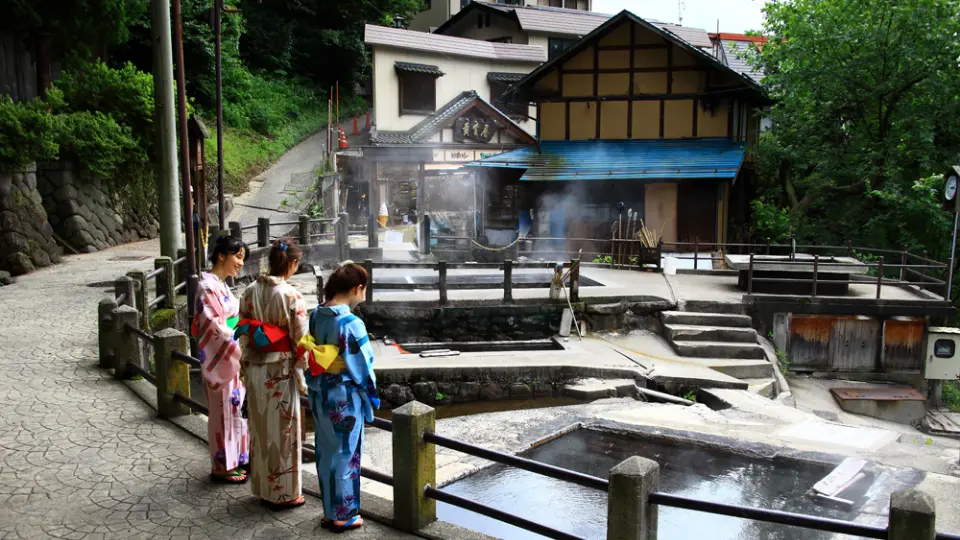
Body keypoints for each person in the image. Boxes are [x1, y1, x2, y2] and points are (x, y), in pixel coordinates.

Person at [305, 263, 380, 533]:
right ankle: (344, 513)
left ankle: (329, 510)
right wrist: (372, 398)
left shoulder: (317, 314)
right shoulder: (351, 323)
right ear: (357, 288)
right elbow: (364, 366)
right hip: (344, 398)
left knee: (326, 451)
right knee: (346, 454)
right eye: (364, 289)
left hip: (320, 391)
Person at [237, 238, 309, 510]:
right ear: (291, 264)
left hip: (256, 366)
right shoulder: (291, 295)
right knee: (283, 431)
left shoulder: (248, 291)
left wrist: (246, 362)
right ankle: (284, 494)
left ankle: (261, 488)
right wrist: (302, 372)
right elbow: (301, 340)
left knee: (259, 427)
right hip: (280, 369)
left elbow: (243, 329)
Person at [191, 235, 249, 484]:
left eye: (242, 259)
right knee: (224, 411)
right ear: (221, 256)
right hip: (223, 355)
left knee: (234, 409)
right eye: (237, 257)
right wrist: (241, 344)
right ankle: (222, 466)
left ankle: (236, 459)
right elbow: (213, 326)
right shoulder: (207, 287)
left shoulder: (220, 285)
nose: (240, 263)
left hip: (231, 356)